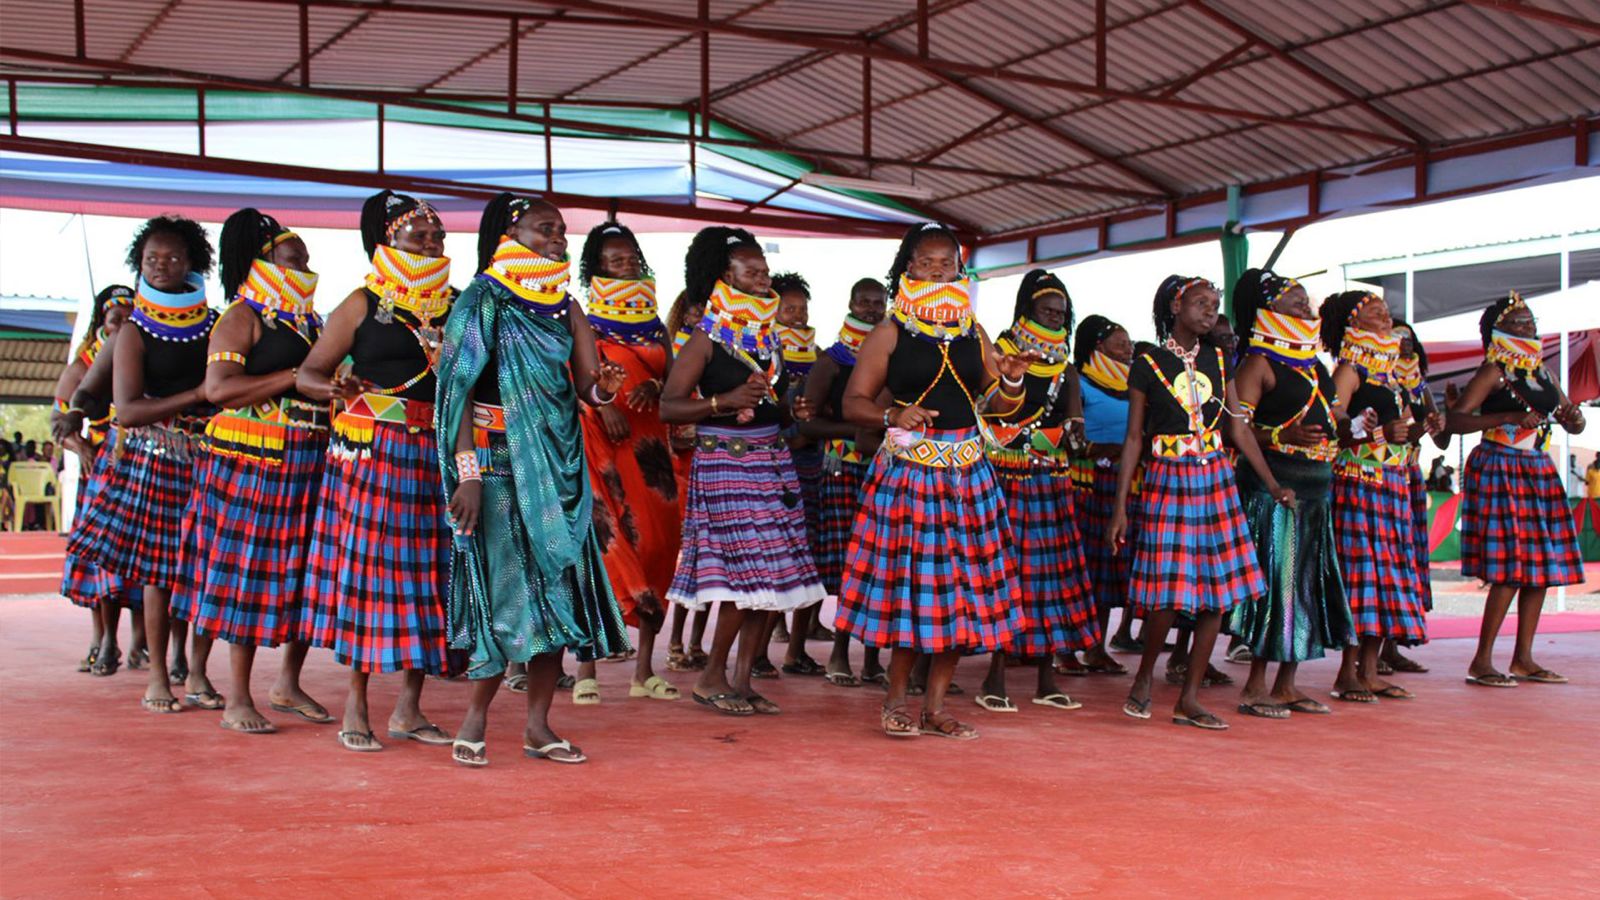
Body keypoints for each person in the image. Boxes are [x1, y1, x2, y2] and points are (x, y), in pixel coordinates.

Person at [436, 193, 630, 767]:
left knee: (560, 596)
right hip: (495, 464)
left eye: (562, 230)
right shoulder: (482, 298)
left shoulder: (565, 304)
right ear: (509, 231)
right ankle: (474, 719)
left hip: (560, 466)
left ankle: (539, 727)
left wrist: (607, 389)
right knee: (508, 593)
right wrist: (465, 475)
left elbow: (587, 387)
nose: (559, 237)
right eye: (545, 228)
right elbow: (457, 394)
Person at [834, 221, 1033, 740]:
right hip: (911, 477)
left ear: (961, 270)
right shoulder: (890, 331)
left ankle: (936, 707)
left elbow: (999, 403)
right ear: (908, 268)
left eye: (948, 262)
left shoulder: (972, 327)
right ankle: (897, 700)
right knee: (912, 592)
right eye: (926, 262)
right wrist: (893, 415)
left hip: (969, 476)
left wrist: (1012, 378)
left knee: (961, 594)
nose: (938, 270)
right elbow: (853, 402)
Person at [298, 190, 455, 752]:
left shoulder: (458, 305)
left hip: (436, 452)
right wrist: (334, 387)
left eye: (438, 235)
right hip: (373, 451)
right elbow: (308, 374)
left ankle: (410, 709)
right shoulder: (361, 303)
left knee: (434, 576)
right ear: (387, 241)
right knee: (371, 577)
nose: (433, 242)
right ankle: (356, 706)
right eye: (420, 235)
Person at [174, 209, 333, 734]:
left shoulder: (309, 320)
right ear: (267, 257)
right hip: (252, 458)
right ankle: (238, 696)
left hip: (308, 455)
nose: (306, 263)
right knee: (249, 572)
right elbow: (218, 390)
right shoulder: (243, 315)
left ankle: (287, 682)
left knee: (303, 572)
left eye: (308, 256)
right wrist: (294, 376)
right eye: (296, 255)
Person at [1108, 276, 1288, 732]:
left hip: (1215, 479)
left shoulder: (1221, 359)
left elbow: (1238, 429)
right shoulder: (1148, 361)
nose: (1210, 311)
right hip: (1168, 478)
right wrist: (1120, 507)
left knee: (1218, 592)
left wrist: (1271, 484)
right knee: (1168, 590)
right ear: (1175, 304)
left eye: (1215, 304)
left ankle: (1188, 697)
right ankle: (1145, 677)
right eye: (1201, 303)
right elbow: (1133, 438)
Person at [660, 226, 825, 717]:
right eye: (750, 272)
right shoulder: (705, 339)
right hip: (725, 463)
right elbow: (669, 406)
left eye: (764, 271)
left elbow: (773, 401)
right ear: (723, 279)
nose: (761, 279)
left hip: (772, 463)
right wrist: (722, 401)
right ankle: (710, 678)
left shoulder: (768, 339)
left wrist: (795, 412)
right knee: (744, 579)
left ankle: (743, 679)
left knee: (771, 581)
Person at [64, 215, 219, 714]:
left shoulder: (215, 324)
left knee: (203, 567)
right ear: (139, 262)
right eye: (151, 258)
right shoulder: (133, 330)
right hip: (155, 456)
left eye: (173, 258)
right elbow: (120, 405)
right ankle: (157, 676)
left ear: (193, 264)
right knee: (158, 571)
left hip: (209, 457)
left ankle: (194, 671)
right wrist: (73, 413)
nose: (161, 266)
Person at [1226, 270, 1355, 718]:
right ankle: (1255, 686)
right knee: (1278, 587)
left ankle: (1287, 684)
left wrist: (1353, 427)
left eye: (1307, 302)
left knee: (1306, 586)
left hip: (1316, 488)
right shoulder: (1257, 363)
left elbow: (1330, 420)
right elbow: (1234, 430)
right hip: (1274, 487)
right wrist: (1284, 434)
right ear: (1269, 312)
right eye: (1296, 303)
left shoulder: (1314, 365)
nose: (1307, 310)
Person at [568, 220, 682, 705]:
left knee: (657, 547)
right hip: (602, 442)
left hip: (651, 448)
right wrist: (604, 405)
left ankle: (644, 672)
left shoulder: (656, 324)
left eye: (631, 257)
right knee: (603, 547)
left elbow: (675, 381)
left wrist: (657, 387)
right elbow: (574, 378)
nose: (626, 264)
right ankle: (586, 669)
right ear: (595, 267)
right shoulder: (586, 322)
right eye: (615, 260)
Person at [976, 269, 1099, 712]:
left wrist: (1075, 432)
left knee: (1052, 577)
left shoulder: (1066, 366)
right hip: (1004, 475)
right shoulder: (998, 353)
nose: (1054, 317)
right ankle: (994, 677)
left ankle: (1047, 679)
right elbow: (984, 406)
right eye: (1046, 309)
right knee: (1007, 574)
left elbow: (1074, 417)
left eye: (1061, 312)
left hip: (1050, 479)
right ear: (1026, 310)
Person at [1449, 292, 1585, 687]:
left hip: (1537, 467)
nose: (1530, 328)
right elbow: (1455, 421)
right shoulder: (1494, 369)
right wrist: (1507, 415)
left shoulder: (1542, 372)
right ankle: (1482, 659)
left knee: (1539, 569)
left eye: (1531, 322)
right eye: (1520, 323)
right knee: (1510, 567)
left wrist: (1574, 420)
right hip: (1500, 465)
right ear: (1498, 331)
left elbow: (1570, 420)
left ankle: (1524, 658)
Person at [1323, 291, 1428, 703]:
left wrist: (1418, 428)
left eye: (1385, 310)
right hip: (1359, 482)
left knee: (1384, 577)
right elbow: (1334, 421)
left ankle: (1368, 670)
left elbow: (1400, 429)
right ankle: (1347, 673)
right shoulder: (1350, 369)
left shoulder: (1391, 374)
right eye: (1373, 310)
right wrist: (1378, 432)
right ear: (1352, 323)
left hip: (1392, 482)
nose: (1384, 315)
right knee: (1362, 576)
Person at [54, 284, 145, 675]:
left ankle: (141, 642)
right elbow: (60, 421)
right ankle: (103, 638)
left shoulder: (145, 351)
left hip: (143, 461)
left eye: (129, 319)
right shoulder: (85, 364)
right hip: (102, 467)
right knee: (101, 558)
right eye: (114, 321)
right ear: (101, 325)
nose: (122, 326)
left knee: (144, 555)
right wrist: (82, 449)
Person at [803, 277, 889, 687]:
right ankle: (839, 653)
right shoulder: (832, 360)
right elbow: (806, 424)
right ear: (852, 304)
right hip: (842, 468)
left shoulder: (894, 352)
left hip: (885, 466)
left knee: (877, 565)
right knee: (847, 564)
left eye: (879, 302)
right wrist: (854, 428)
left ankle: (872, 660)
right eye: (865, 302)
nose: (872, 309)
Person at [768, 271, 831, 673]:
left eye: (802, 309)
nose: (796, 316)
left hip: (811, 463)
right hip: (774, 461)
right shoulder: (766, 349)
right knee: (778, 553)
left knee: (809, 550)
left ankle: (796, 644)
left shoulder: (820, 353)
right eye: (788, 308)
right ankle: (766, 643)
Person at [1383, 318, 1447, 676]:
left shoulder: (1419, 383)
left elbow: (1440, 439)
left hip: (1410, 473)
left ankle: (1392, 646)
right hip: (1381, 472)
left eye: (1409, 338)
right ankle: (1373, 648)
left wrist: (1440, 420)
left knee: (1406, 559)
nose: (1404, 343)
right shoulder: (1378, 378)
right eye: (1397, 337)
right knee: (1386, 560)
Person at [662, 289, 711, 673]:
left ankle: (696, 641)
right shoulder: (676, 352)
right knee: (688, 559)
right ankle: (676, 640)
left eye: (705, 311)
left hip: (706, 456)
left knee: (708, 563)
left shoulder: (718, 350)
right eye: (693, 309)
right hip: (679, 461)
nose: (699, 315)